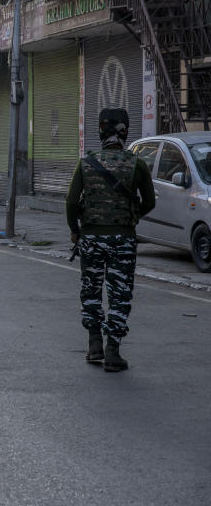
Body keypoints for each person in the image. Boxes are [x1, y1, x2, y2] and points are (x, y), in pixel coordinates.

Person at [66, 108, 155, 372]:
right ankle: (113, 352)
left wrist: (75, 229)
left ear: (101, 131)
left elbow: (71, 201)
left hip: (91, 238)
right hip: (123, 240)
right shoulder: (137, 164)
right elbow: (149, 201)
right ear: (125, 132)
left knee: (91, 290)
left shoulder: (86, 163)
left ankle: (94, 345)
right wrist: (131, 217)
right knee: (120, 295)